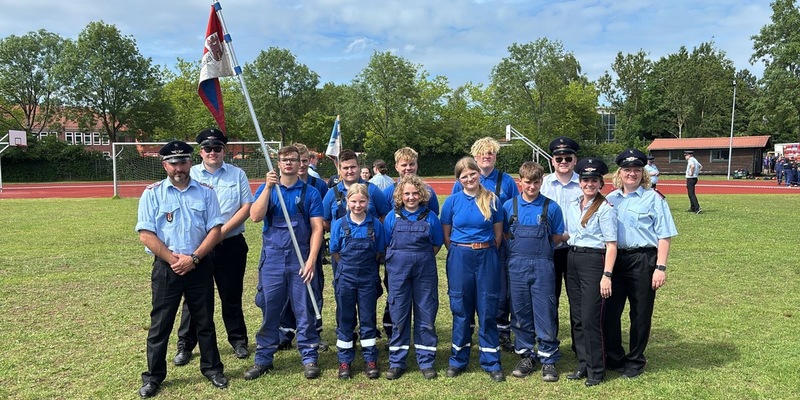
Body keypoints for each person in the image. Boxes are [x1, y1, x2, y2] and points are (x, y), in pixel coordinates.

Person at [135, 140, 228, 398]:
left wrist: (194, 258)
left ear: (190, 162)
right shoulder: (152, 193)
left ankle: (212, 368)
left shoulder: (206, 192)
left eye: (183, 162)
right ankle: (153, 376)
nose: (179, 167)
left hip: (198, 265)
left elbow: (215, 230)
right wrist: (174, 260)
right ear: (165, 165)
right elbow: (146, 234)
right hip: (167, 268)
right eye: (173, 163)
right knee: (160, 325)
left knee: (204, 321)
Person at [172, 129, 252, 367]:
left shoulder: (237, 174)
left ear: (224, 151)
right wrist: (208, 239)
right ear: (200, 152)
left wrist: (222, 232)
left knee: (231, 294)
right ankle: (186, 345)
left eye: (217, 148)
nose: (212, 152)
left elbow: (246, 206)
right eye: (208, 148)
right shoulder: (190, 174)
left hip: (231, 244)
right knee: (194, 299)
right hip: (198, 247)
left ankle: (238, 341)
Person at [245, 145, 324, 381]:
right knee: (271, 309)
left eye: (293, 159)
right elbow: (255, 216)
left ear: (302, 163)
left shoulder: (310, 193)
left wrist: (311, 260)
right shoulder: (267, 189)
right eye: (284, 160)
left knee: (304, 310)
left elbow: (317, 228)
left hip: (300, 259)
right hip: (273, 260)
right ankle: (263, 359)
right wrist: (269, 188)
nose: (288, 163)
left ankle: (309, 357)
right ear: (278, 163)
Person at [605, 148, 678, 379]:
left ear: (643, 173)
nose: (632, 174)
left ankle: (635, 360)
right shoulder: (610, 198)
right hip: (616, 260)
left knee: (640, 313)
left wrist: (660, 267)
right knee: (610, 312)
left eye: (637, 170)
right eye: (627, 169)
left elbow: (664, 235)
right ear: (620, 172)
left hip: (644, 259)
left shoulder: (654, 198)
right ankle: (614, 357)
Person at [450, 137, 519, 352]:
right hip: (467, 250)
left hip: (495, 247)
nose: (486, 157)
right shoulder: (461, 183)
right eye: (482, 154)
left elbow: (512, 210)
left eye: (490, 153)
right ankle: (467, 332)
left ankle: (501, 332)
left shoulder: (506, 181)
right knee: (466, 292)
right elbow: (453, 215)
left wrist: (496, 245)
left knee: (499, 292)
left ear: (495, 156)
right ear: (475, 157)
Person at [441, 157, 506, 382]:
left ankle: (491, 361)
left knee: (487, 308)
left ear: (479, 173)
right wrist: (462, 250)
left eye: (472, 174)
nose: (469, 179)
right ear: (458, 179)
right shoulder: (452, 202)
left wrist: (483, 248)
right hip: (460, 256)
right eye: (464, 176)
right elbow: (447, 235)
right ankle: (458, 359)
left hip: (487, 254)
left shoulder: (492, 200)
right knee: (460, 308)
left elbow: (498, 234)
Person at [504, 162, 565, 383]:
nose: (532, 186)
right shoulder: (508, 207)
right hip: (516, 267)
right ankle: (526, 355)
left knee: (545, 311)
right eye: (528, 181)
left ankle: (548, 357)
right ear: (520, 181)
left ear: (542, 182)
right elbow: (503, 236)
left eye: (536, 182)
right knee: (520, 313)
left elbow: (558, 236)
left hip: (542, 267)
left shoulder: (552, 207)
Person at [383, 175, 444, 380]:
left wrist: (420, 258)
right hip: (398, 272)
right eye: (406, 193)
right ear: (400, 195)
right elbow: (385, 243)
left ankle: (426, 361)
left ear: (422, 195)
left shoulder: (430, 217)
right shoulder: (392, 216)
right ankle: (397, 362)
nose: (411, 197)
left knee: (426, 314)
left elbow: (436, 244)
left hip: (424, 271)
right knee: (398, 314)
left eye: (415, 193)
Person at [564, 157, 616, 387]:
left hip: (594, 261)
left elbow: (611, 244)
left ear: (600, 183)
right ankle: (583, 363)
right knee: (576, 316)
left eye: (594, 180)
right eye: (585, 180)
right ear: (580, 182)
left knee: (590, 317)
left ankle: (597, 368)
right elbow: (567, 234)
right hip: (572, 258)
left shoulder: (605, 208)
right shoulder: (574, 204)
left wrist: (607, 275)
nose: (589, 184)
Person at [379, 146, 441, 340]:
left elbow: (433, 224)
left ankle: (421, 334)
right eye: (404, 165)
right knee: (396, 294)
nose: (408, 168)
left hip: (421, 256)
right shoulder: (388, 192)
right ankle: (393, 330)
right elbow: (384, 221)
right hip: (397, 255)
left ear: (417, 165)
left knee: (422, 297)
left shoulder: (428, 192)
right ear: (396, 166)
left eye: (411, 164)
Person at [275, 143, 330, 351]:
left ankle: (313, 331)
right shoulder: (278, 187)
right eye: (300, 161)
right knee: (287, 293)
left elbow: (322, 220)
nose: (302, 166)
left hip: (310, 248)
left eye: (305, 161)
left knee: (312, 290)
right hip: (285, 248)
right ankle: (286, 331)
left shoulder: (317, 186)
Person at [329, 183, 386, 380]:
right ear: (347, 201)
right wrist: (346, 268)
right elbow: (335, 251)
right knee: (345, 319)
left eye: (362, 201)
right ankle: (344, 360)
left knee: (368, 319)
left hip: (368, 278)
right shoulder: (339, 224)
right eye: (353, 201)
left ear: (368, 202)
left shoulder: (375, 225)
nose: (357, 205)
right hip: (346, 278)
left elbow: (379, 251)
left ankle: (370, 359)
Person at [539, 136, 581, 343]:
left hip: (577, 250)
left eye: (567, 158)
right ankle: (549, 342)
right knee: (549, 299)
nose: (563, 162)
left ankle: (579, 345)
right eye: (559, 158)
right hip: (550, 250)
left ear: (575, 160)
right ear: (552, 161)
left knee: (578, 300)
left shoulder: (585, 183)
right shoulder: (543, 185)